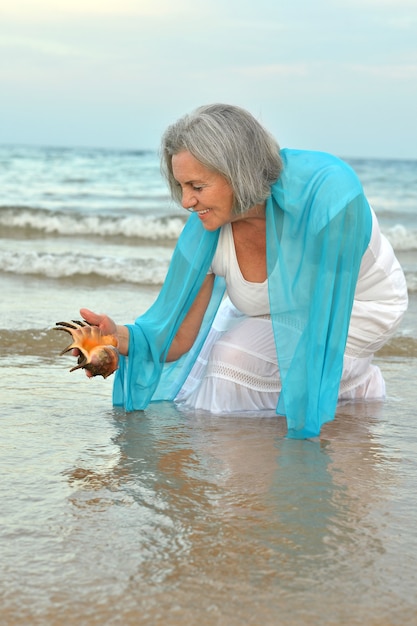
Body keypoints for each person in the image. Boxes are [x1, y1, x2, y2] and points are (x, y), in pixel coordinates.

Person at [80, 104, 408, 438]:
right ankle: (238, 455)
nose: (186, 202)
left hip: (359, 306)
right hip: (274, 312)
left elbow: (319, 319)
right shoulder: (205, 233)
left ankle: (355, 387)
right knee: (201, 368)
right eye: (181, 187)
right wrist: (116, 336)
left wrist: (305, 425)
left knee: (229, 360)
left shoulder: (327, 202)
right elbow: (178, 337)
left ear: (238, 172)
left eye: (196, 186)